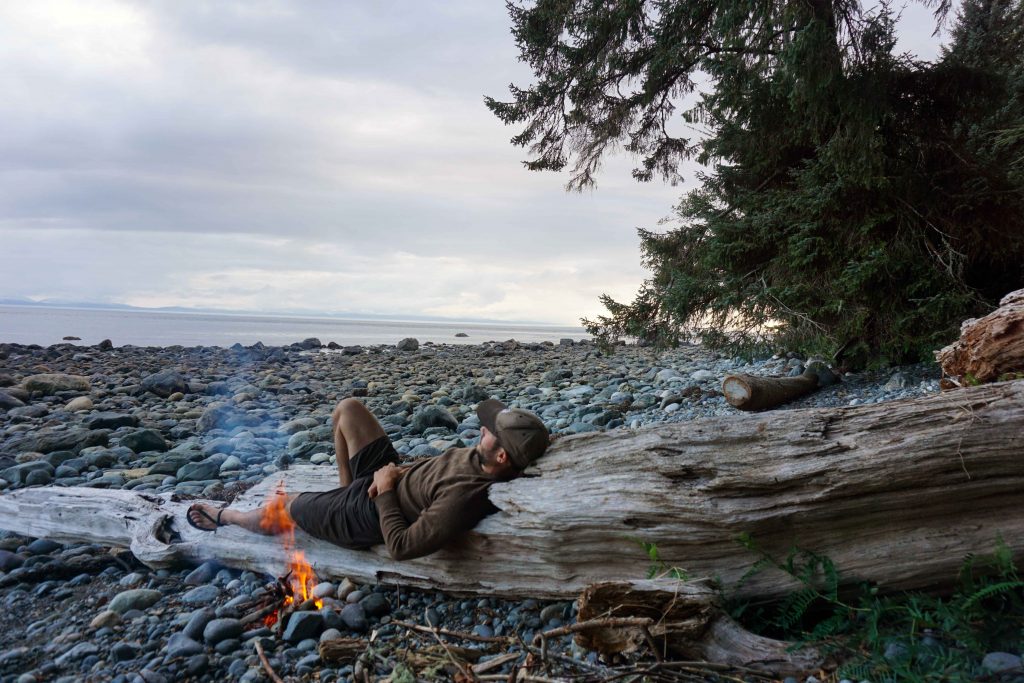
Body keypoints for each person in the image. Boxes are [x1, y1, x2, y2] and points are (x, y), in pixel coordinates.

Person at [186, 398, 550, 560]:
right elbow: (436, 468)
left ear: (501, 456)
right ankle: (342, 491)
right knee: (348, 409)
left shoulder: (466, 497)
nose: (483, 429)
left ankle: (225, 517)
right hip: (387, 479)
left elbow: (402, 547)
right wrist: (395, 472)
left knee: (285, 505)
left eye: (490, 432)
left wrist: (387, 489)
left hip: (368, 512)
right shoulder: (483, 457)